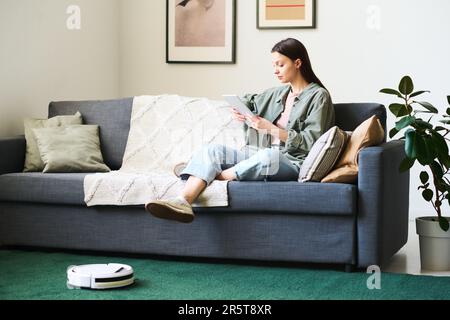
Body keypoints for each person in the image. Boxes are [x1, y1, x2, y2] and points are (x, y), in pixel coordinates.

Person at [145, 38, 335, 223]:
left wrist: (271, 129)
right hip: (256, 153)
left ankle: (205, 174)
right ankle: (183, 201)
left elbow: (311, 142)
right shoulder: (279, 93)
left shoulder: (319, 97)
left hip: (291, 161)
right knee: (213, 150)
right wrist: (240, 109)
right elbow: (250, 100)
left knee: (269, 157)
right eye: (274, 65)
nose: (276, 71)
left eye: (280, 64)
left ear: (298, 63)